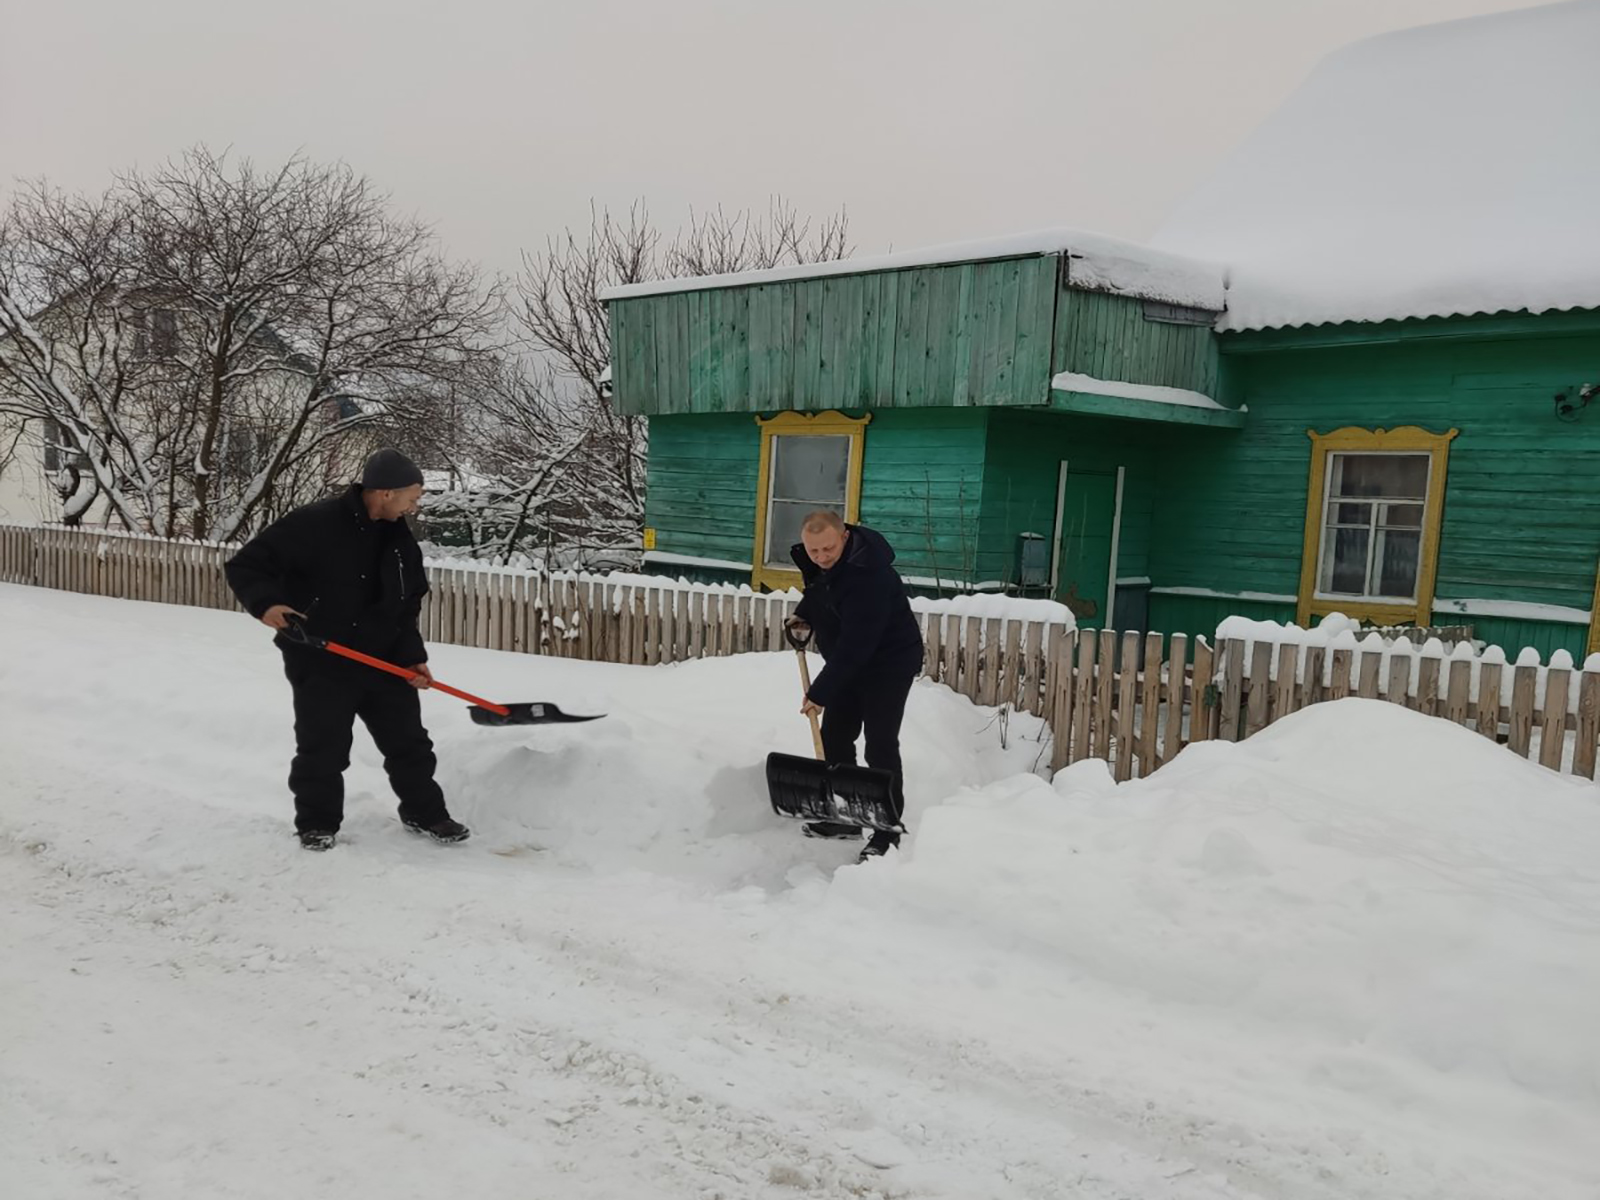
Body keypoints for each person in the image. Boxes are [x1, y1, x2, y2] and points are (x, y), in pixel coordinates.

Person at [224, 449, 470, 851]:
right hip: (322, 656)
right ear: (386, 492)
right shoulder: (314, 524)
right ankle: (317, 823)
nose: (417, 503)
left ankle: (426, 813)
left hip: (383, 658)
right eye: (414, 494)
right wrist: (267, 604)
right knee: (324, 746)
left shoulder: (400, 539)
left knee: (409, 743)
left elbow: (407, 605)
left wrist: (412, 657)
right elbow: (246, 566)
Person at [786, 510, 924, 861]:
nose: (820, 558)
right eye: (813, 551)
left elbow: (858, 645)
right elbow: (822, 592)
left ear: (844, 537)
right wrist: (804, 612)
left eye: (827, 549)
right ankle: (846, 818)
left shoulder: (870, 575)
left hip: (888, 664)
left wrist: (820, 692)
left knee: (879, 744)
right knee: (835, 736)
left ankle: (887, 828)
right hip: (849, 663)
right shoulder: (824, 562)